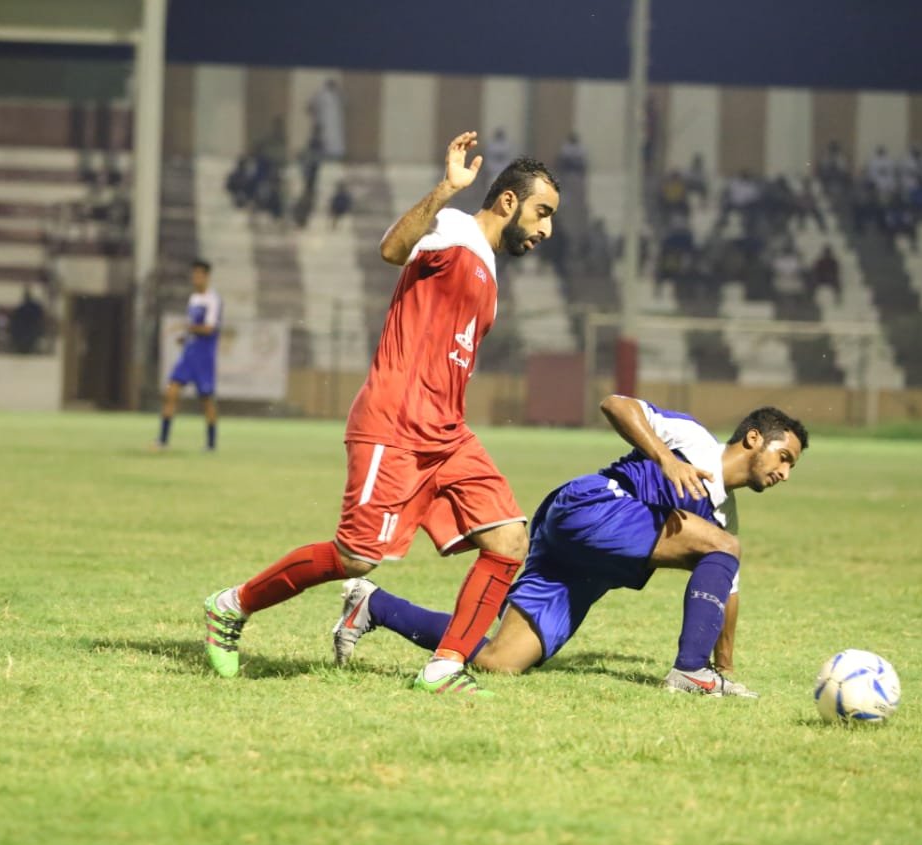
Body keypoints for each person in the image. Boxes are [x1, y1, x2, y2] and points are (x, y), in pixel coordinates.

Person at [202, 132, 560, 696]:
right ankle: (231, 606)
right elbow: (393, 250)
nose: (546, 230)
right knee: (355, 557)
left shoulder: (488, 272)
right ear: (509, 201)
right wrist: (445, 190)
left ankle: (444, 668)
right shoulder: (454, 230)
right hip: (395, 422)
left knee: (510, 540)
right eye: (543, 213)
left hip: (446, 432)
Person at [332, 396, 809, 697]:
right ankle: (689, 672)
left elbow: (727, 597)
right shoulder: (695, 442)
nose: (785, 473)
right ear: (753, 439)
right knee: (724, 547)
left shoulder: (723, 522)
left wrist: (727, 667)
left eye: (792, 466)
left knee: (502, 661)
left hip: (585, 563)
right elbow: (616, 404)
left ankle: (373, 605)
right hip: (593, 507)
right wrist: (665, 458)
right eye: (783, 457)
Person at [157, 259, 221, 451]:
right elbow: (194, 328)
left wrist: (185, 327)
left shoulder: (213, 300)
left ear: (207, 276)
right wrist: (185, 337)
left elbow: (209, 328)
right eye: (194, 274)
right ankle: (163, 440)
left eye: (200, 274)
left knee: (206, 400)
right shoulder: (193, 299)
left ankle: (211, 444)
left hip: (204, 356)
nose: (196, 278)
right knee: (171, 392)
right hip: (189, 354)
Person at [9, 287, 45, 354]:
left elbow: (15, 321)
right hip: (28, 334)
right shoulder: (32, 308)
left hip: (27, 333)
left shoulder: (23, 309)